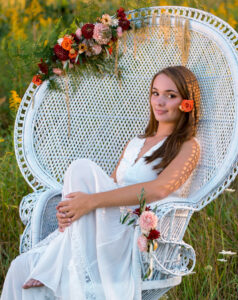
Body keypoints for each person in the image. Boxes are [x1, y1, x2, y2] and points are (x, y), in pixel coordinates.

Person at [1, 65, 201, 300]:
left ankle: (55, 262)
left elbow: (159, 189)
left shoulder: (188, 146)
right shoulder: (136, 142)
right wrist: (74, 209)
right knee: (20, 266)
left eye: (171, 95)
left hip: (129, 230)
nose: (160, 101)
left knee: (82, 167)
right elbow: (111, 184)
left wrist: (90, 202)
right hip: (105, 223)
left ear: (186, 102)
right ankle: (64, 244)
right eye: (155, 93)